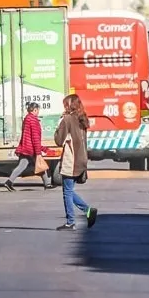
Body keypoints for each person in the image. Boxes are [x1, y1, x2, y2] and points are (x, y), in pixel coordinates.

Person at [55, 94, 98, 231]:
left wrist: (59, 124)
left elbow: (58, 140)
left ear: (69, 105)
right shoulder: (82, 119)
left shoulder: (67, 119)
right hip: (81, 159)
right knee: (69, 190)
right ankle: (87, 211)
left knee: (67, 192)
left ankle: (71, 221)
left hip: (71, 160)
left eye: (65, 105)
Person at [6, 102, 52, 191]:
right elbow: (35, 137)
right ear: (34, 110)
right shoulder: (33, 120)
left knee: (23, 166)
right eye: (38, 110)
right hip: (31, 149)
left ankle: (9, 182)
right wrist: (38, 152)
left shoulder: (27, 119)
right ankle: (47, 184)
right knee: (39, 164)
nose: (38, 112)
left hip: (26, 147)